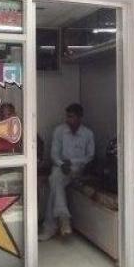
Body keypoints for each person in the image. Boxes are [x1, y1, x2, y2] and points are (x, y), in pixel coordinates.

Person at [39, 103, 95, 241]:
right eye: (67, 116)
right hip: (61, 168)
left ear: (80, 117)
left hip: (79, 170)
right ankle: (64, 220)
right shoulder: (59, 131)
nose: (68, 120)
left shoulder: (88, 134)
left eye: (72, 117)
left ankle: (51, 227)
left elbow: (90, 156)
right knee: (55, 179)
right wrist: (62, 164)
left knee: (54, 183)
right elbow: (54, 154)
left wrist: (73, 162)